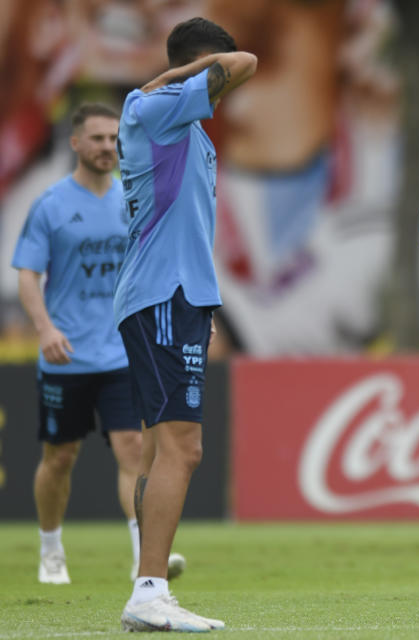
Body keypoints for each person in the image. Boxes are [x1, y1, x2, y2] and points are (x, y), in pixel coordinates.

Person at [113, 17, 256, 632]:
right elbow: (246, 61)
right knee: (184, 447)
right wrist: (184, 73)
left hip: (180, 297)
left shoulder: (185, 125)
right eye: (211, 75)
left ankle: (147, 583)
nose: (223, 93)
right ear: (200, 67)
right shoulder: (157, 105)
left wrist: (204, 302)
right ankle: (148, 591)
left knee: (156, 449)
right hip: (161, 296)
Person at [11, 103, 185, 586]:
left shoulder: (132, 199)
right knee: (60, 456)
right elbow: (27, 274)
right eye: (98, 139)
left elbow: (157, 262)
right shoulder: (50, 205)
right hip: (66, 354)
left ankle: (142, 559)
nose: (108, 147)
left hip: (123, 350)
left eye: (114, 139)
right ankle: (50, 548)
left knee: (132, 448)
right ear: (75, 144)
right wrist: (44, 328)